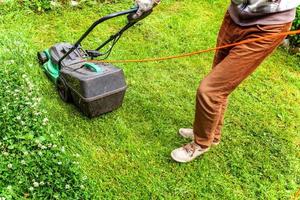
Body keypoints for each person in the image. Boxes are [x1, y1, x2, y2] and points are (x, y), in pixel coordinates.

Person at [135, 0, 300, 163]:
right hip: (234, 16)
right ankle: (211, 134)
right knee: (219, 84)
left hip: (268, 27)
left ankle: (201, 143)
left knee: (210, 90)